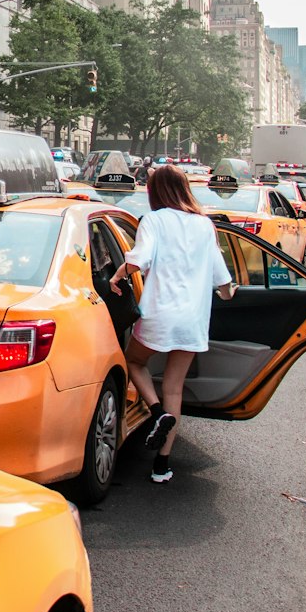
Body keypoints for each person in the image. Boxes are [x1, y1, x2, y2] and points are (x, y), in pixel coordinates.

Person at [110, 164, 237, 485]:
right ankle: (162, 465)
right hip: (192, 321)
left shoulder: (153, 220)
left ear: (154, 192)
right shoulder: (204, 225)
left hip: (159, 315)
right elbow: (222, 280)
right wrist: (230, 291)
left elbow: (140, 258)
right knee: (174, 387)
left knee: (134, 362)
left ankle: (155, 413)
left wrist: (117, 275)